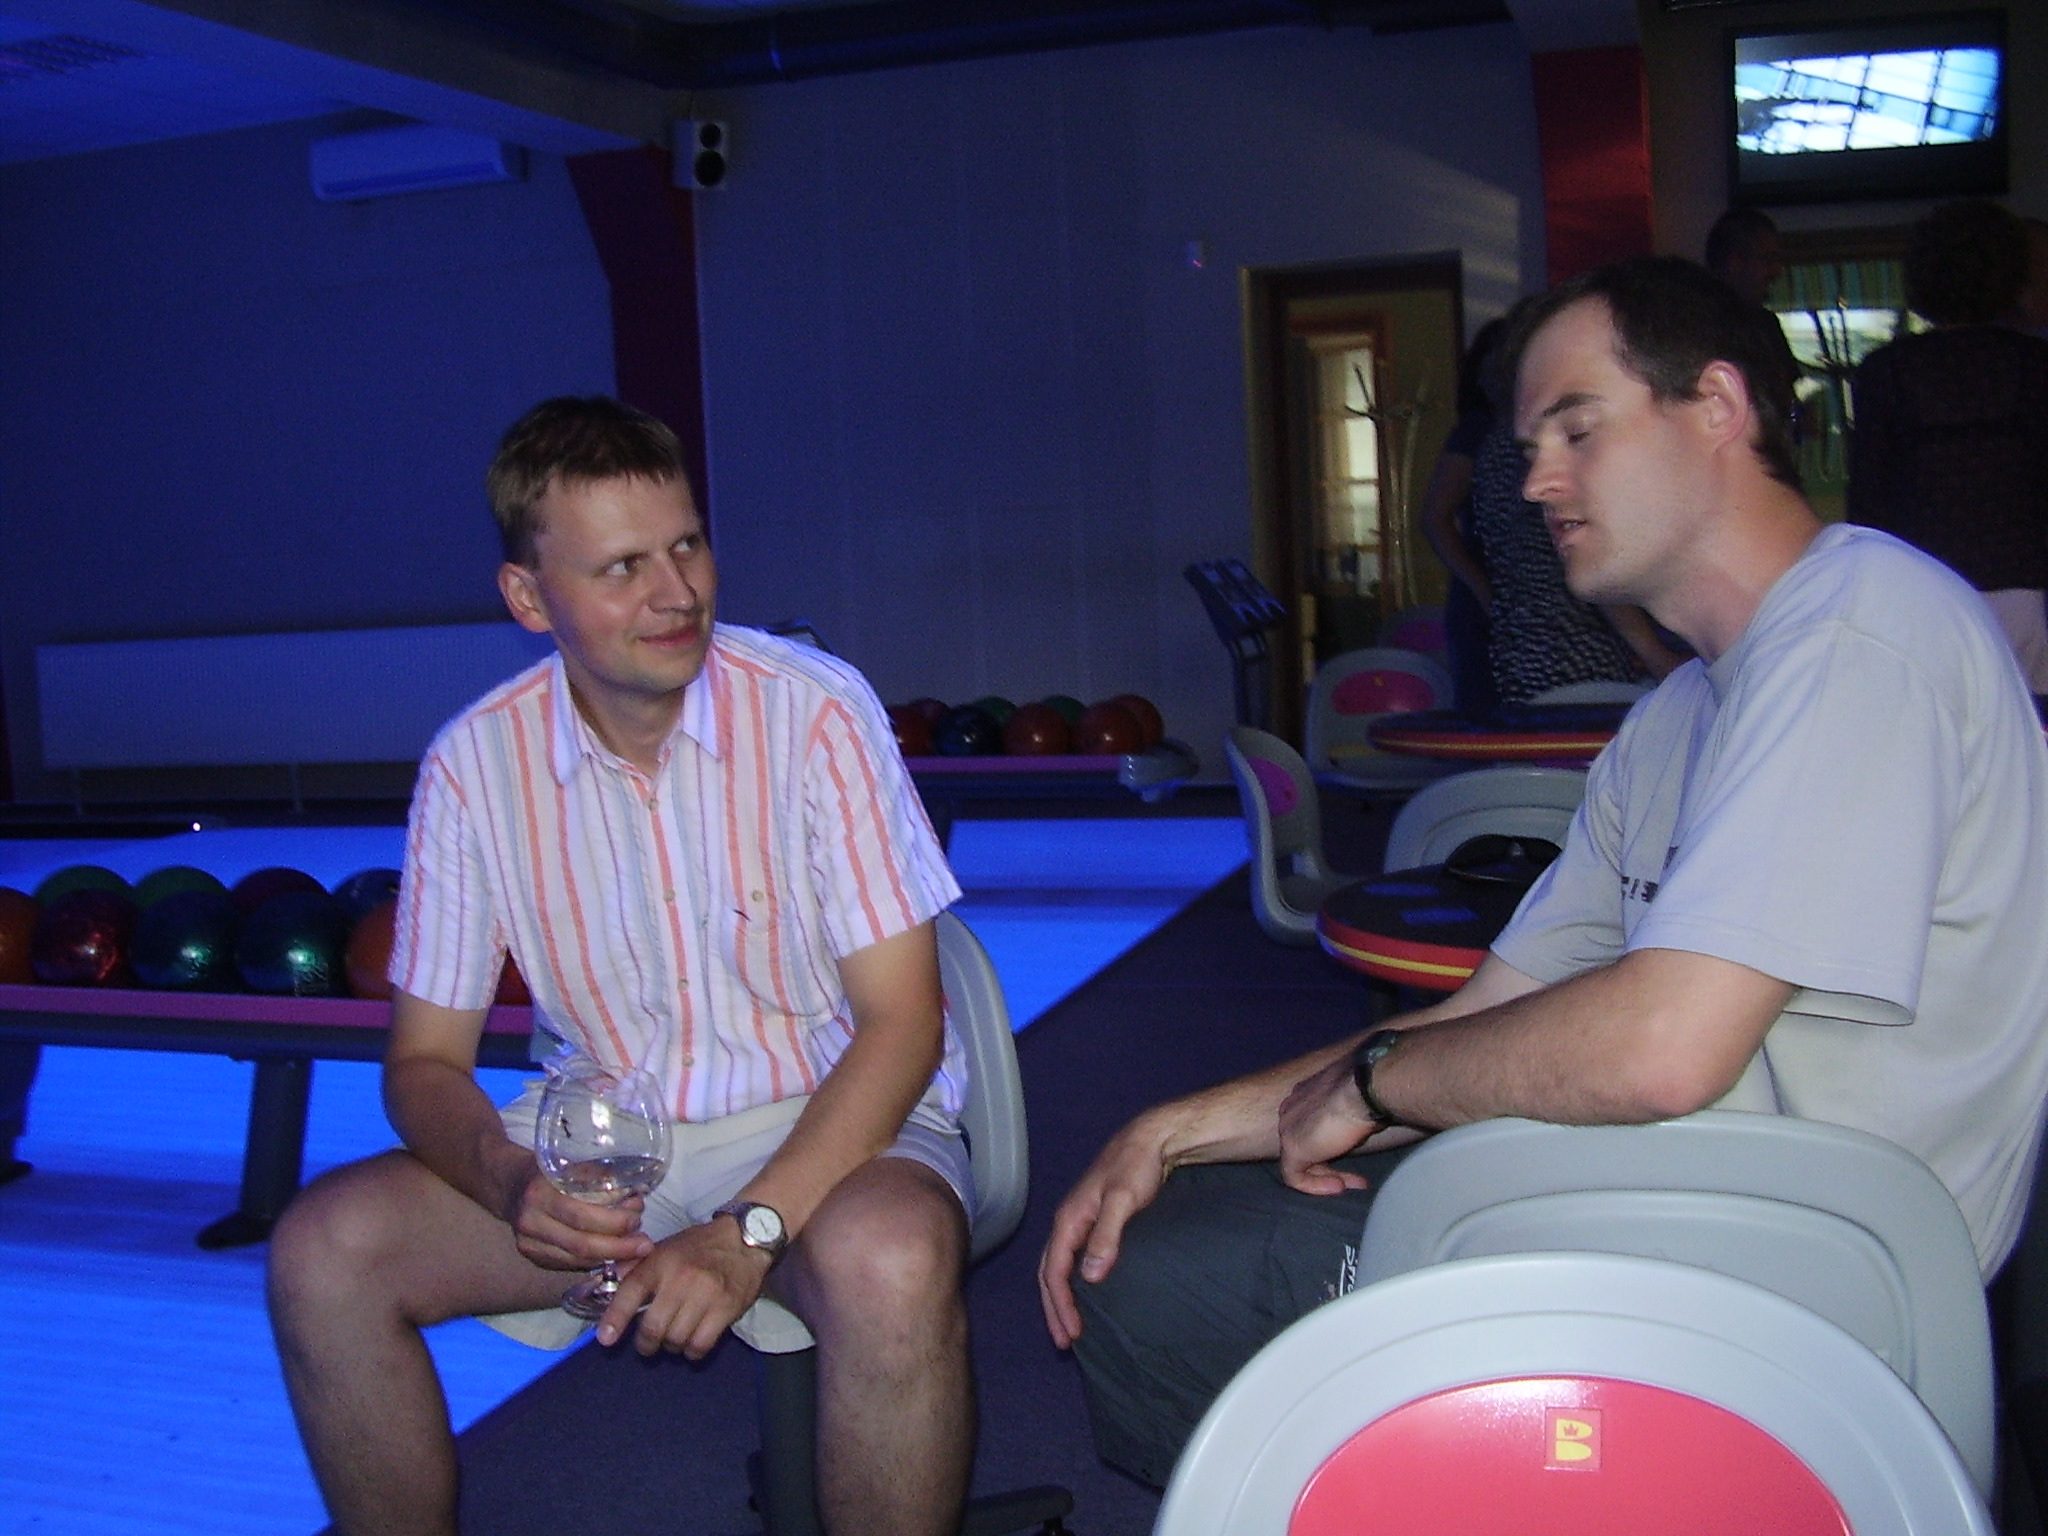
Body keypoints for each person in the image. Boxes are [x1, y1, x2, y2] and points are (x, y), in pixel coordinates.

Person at [1038, 256, 2048, 1489]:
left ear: (1716, 407)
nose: (1532, 483)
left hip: (1813, 1268)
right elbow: (1488, 1012)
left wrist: (1377, 1077)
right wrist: (1179, 1129)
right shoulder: (1676, 714)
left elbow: (1659, 1049)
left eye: (1577, 429)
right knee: (1173, 1215)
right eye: (1526, 448)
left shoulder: (1860, 625)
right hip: (1673, 1198)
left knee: (1169, 1282)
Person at [268, 397, 974, 1536]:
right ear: (527, 598)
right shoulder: (473, 767)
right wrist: (510, 1184)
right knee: (322, 1253)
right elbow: (424, 1065)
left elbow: (903, 1025)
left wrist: (745, 1232)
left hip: (835, 1120)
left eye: (687, 544)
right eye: (622, 567)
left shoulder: (814, 713)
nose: (676, 592)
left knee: (889, 1259)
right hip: (608, 1146)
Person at [1849, 199, 2048, 693]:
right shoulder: (2034, 365)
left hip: (1920, 588)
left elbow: (1869, 502)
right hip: (2023, 583)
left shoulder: (1885, 371)